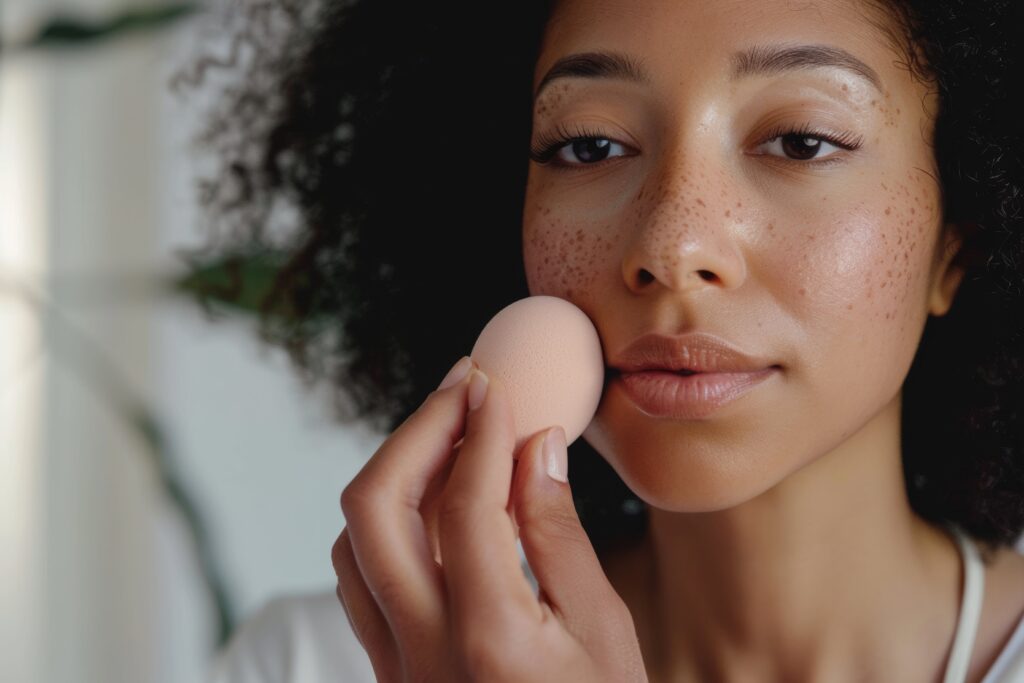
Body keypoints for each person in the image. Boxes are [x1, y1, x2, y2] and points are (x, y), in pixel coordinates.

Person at [189, 0, 1024, 680]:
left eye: (801, 141)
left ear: (959, 239)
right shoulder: (315, 664)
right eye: (589, 145)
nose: (671, 245)